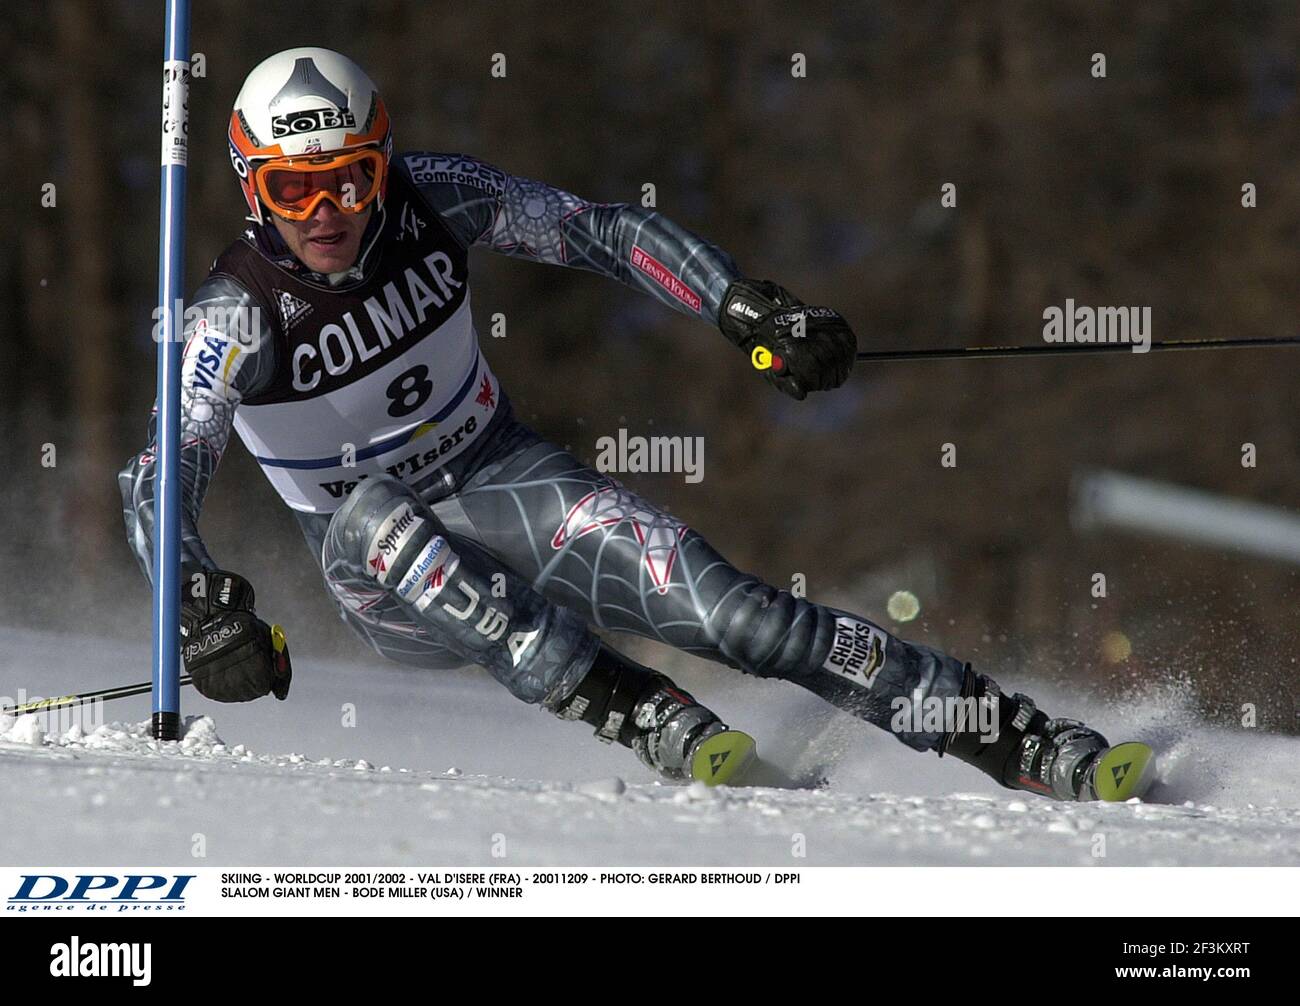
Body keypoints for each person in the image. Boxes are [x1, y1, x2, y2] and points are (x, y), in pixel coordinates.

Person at [120, 47, 1145, 800]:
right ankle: (639, 711)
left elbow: (597, 231)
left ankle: (1020, 740)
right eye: (295, 187)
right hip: (380, 574)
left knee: (741, 616)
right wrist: (202, 607)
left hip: (499, 478)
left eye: (349, 177)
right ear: (253, 188)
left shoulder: (435, 199)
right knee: (376, 513)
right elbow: (159, 480)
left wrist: (747, 308)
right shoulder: (230, 317)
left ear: (381, 164)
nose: (328, 209)